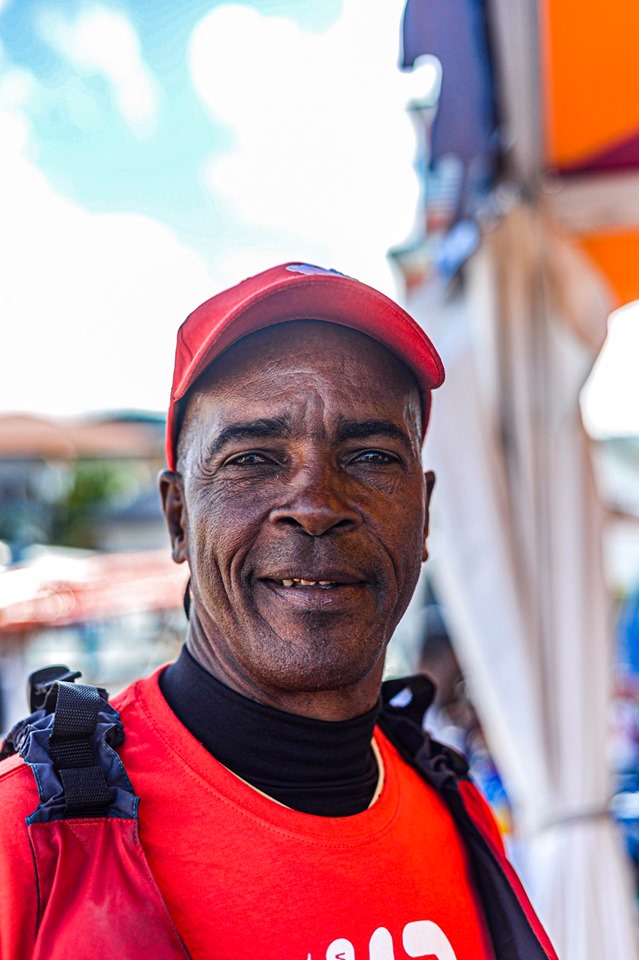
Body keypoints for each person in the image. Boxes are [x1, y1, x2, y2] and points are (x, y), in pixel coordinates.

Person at [0, 263, 558, 960]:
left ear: (422, 516)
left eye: (370, 456)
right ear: (178, 518)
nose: (315, 505)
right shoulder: (28, 840)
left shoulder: (451, 805)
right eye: (253, 457)